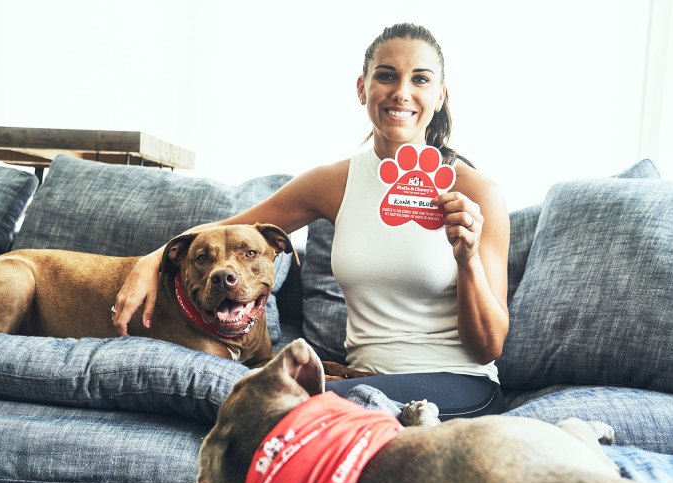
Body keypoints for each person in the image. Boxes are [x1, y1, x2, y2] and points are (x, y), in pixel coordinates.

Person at [113, 22, 510, 420]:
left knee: (280, 403)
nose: (401, 92)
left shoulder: (476, 193)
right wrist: (153, 260)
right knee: (284, 400)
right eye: (386, 76)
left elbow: (488, 347)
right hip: (366, 379)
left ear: (439, 96)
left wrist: (468, 259)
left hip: (458, 383)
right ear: (362, 89)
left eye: (419, 79)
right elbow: (227, 232)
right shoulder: (335, 183)